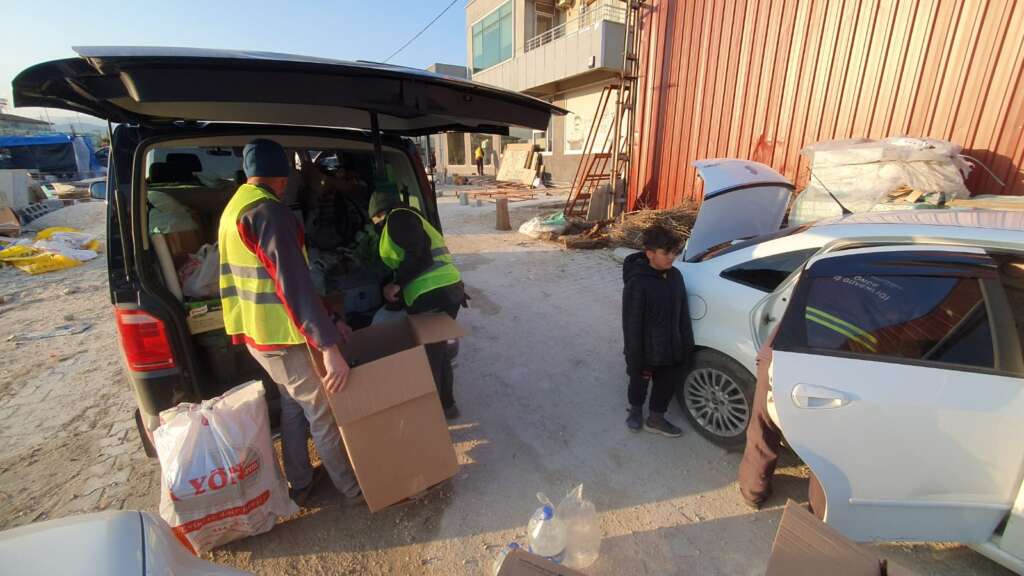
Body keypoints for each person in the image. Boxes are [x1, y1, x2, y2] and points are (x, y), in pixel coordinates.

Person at [218, 138, 361, 505]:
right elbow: (293, 285)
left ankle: (299, 481)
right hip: (282, 337)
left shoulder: (234, 208)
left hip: (257, 336)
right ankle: (354, 488)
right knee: (323, 412)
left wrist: (327, 319)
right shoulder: (269, 212)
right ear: (282, 178)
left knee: (293, 405)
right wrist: (328, 347)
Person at [367, 183, 466, 419]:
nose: (375, 226)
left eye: (374, 220)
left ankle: (429, 416)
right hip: (447, 289)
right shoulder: (409, 216)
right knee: (438, 349)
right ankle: (447, 406)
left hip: (432, 293)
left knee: (429, 355)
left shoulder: (398, 219)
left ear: (379, 213)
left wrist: (397, 284)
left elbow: (420, 258)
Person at [622, 224, 693, 437]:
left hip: (671, 346)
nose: (671, 257)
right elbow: (631, 324)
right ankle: (635, 410)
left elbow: (683, 313)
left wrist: (685, 344)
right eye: (666, 253)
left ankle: (656, 418)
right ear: (650, 254)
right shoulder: (638, 283)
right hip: (645, 351)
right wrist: (634, 358)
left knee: (666, 384)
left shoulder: (676, 276)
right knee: (639, 382)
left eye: (674, 252)